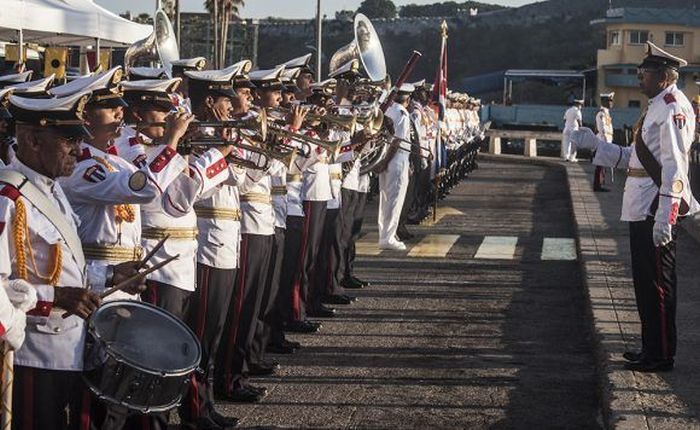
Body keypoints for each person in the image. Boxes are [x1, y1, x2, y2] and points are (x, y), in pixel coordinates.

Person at [0, 91, 143, 429]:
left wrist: (109, 275)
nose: (79, 150)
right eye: (68, 140)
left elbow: (62, 266)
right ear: (33, 140)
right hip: (33, 356)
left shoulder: (53, 188)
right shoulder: (8, 198)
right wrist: (56, 298)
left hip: (69, 348)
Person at [572, 41, 698, 372]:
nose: (639, 77)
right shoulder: (655, 105)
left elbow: (674, 166)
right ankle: (650, 346)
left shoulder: (671, 107)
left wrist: (666, 217)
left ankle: (661, 353)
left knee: (658, 283)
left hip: (655, 205)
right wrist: (596, 146)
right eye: (640, 72)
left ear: (665, 76)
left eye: (644, 72)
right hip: (641, 203)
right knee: (645, 282)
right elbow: (634, 158)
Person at [376, 83, 414, 251]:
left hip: (386, 158)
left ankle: (384, 234)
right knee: (394, 200)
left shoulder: (388, 110)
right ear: (408, 99)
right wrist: (386, 161)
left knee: (385, 199)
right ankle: (388, 237)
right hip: (396, 159)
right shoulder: (401, 113)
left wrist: (382, 161)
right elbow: (397, 141)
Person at [594, 92, 615, 192]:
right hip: (603, 142)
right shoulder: (601, 113)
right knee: (600, 165)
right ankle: (597, 185)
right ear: (604, 101)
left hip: (607, 141)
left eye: (611, 100)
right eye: (609, 101)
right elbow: (601, 129)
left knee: (603, 165)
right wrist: (606, 142)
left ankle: (600, 183)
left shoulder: (606, 113)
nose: (611, 102)